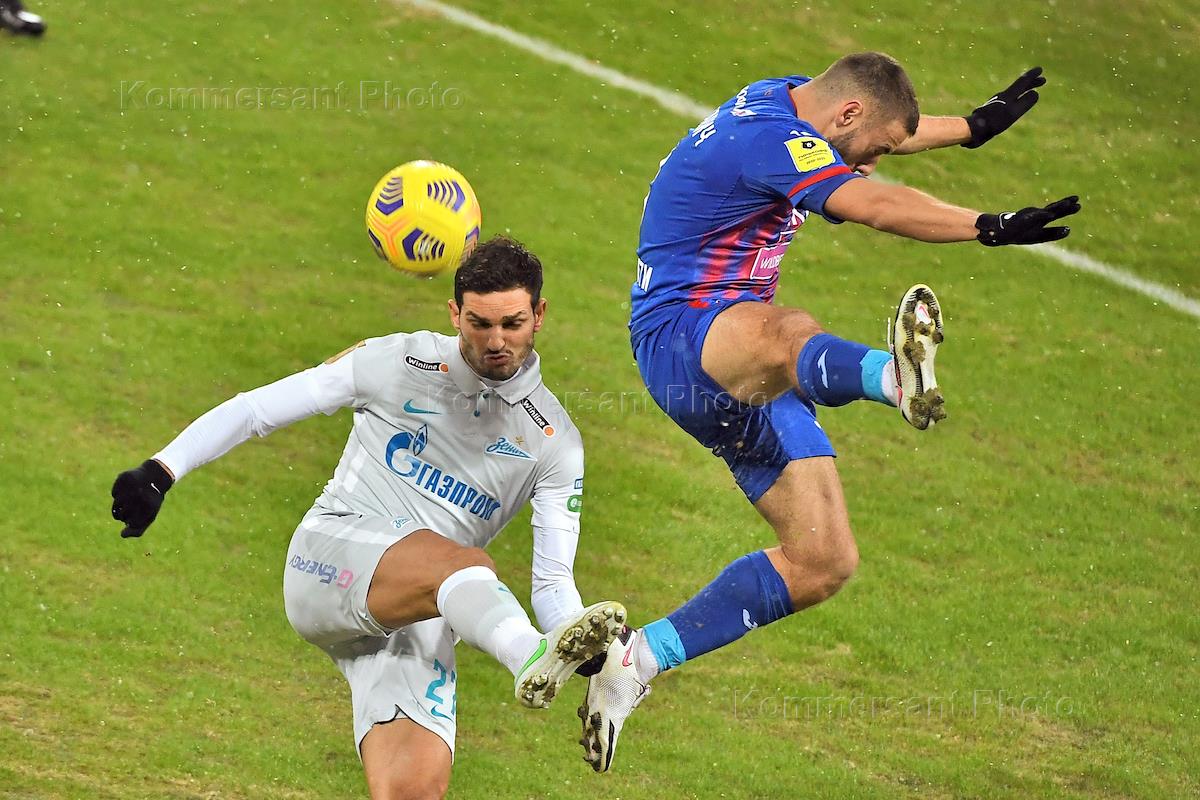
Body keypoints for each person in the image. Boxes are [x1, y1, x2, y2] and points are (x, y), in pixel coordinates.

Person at [577, 53, 1081, 771]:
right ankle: (893, 378)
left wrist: (971, 128)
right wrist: (987, 225)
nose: (871, 164)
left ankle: (636, 661)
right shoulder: (770, 139)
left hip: (739, 364)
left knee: (823, 560)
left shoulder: (790, 99)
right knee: (791, 332)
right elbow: (873, 206)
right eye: (875, 150)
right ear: (845, 116)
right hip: (683, 339)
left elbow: (874, 127)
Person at [111, 236, 626, 799]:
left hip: (421, 613)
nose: (496, 341)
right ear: (454, 313)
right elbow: (259, 409)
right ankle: (528, 656)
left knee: (414, 792)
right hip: (329, 556)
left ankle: (536, 655)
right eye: (479, 323)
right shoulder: (397, 361)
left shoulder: (554, 442)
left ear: (539, 315)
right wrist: (161, 470)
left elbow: (552, 585)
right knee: (464, 563)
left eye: (512, 323)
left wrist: (586, 649)